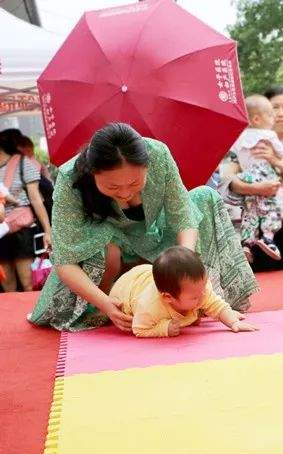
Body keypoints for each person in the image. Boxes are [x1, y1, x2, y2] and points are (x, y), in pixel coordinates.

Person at [28, 122, 258, 332]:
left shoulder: (158, 154)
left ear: (148, 166)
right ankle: (101, 305)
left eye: (135, 183)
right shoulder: (70, 179)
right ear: (93, 173)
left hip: (156, 244)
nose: (126, 193)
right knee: (107, 245)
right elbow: (65, 261)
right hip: (108, 256)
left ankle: (192, 297)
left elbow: (184, 216)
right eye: (112, 187)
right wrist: (106, 304)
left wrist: (183, 264)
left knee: (204, 197)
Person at [221, 86, 283, 271]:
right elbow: (226, 181)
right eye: (275, 107)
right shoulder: (246, 145)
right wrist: (254, 189)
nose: (281, 113)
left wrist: (275, 159)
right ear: (260, 113)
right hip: (255, 229)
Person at [110, 246, 258, 338]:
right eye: (195, 297)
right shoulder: (150, 307)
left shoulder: (199, 290)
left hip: (147, 275)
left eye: (204, 288)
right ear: (168, 297)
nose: (203, 296)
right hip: (126, 288)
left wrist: (232, 321)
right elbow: (139, 329)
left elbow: (217, 305)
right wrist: (163, 328)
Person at [230, 94, 283, 261]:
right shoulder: (268, 135)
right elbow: (281, 155)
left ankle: (246, 243)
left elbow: (237, 156)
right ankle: (268, 238)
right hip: (264, 175)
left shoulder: (240, 136)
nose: (274, 117)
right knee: (272, 207)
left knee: (250, 211)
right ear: (256, 119)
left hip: (247, 177)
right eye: (270, 114)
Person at [0, 129, 53, 292]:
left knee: (28, 284)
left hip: (22, 232)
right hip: (1, 232)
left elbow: (36, 200)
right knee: (7, 285)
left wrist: (48, 230)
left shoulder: (22, 163)